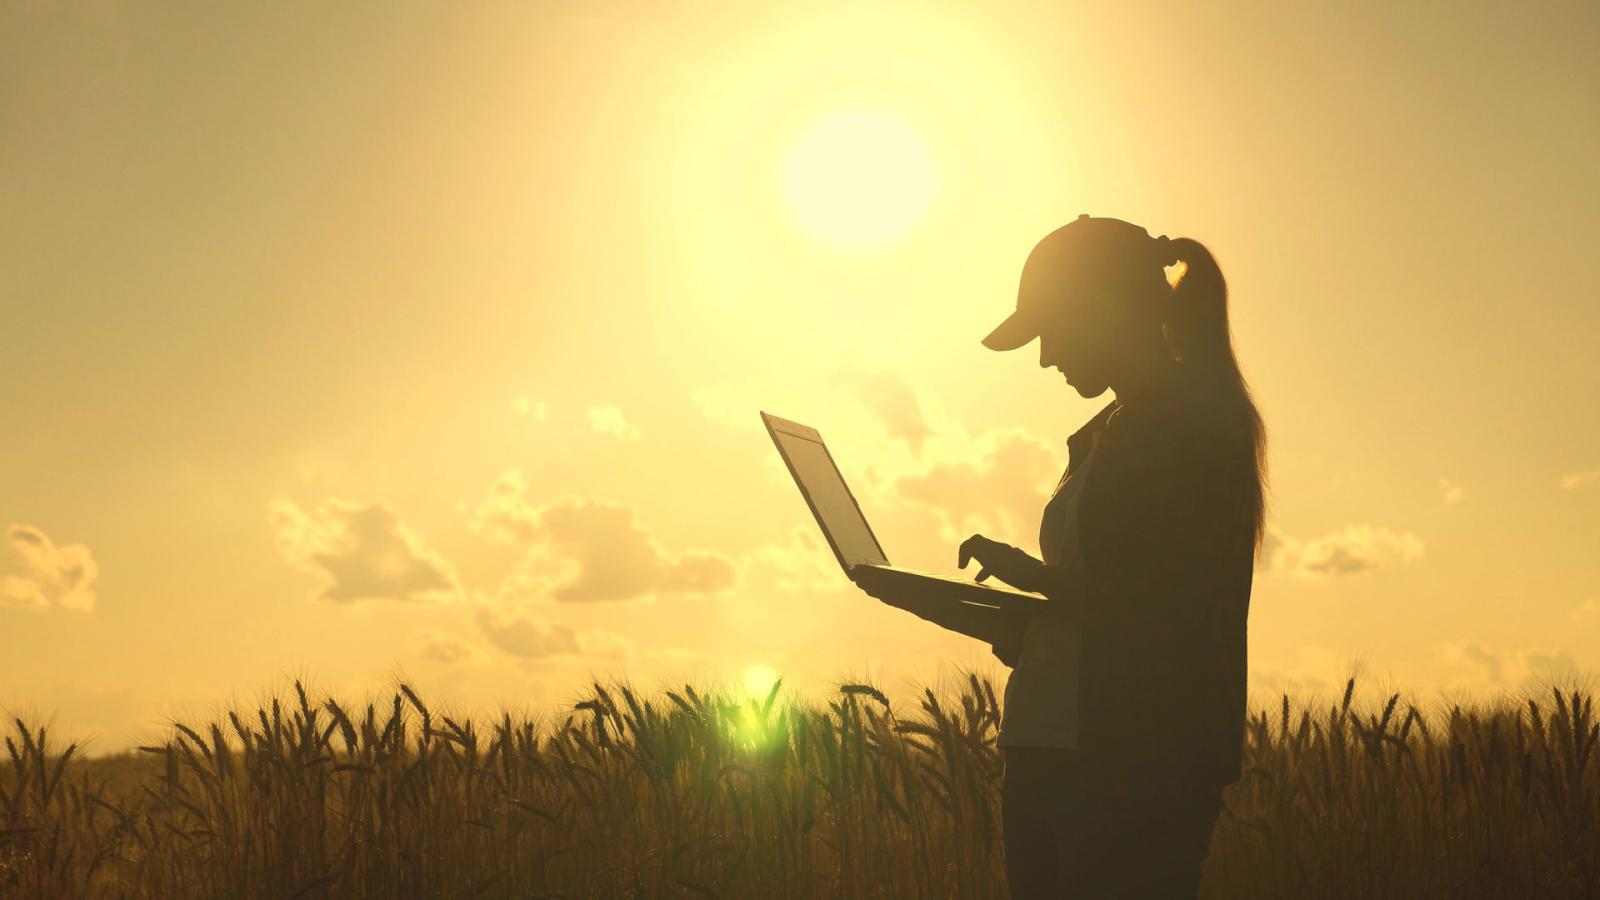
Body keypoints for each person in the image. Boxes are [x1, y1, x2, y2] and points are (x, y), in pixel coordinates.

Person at [851, 214, 1267, 899]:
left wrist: (1034, 581)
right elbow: (1105, 605)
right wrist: (1007, 617)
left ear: (1100, 307)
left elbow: (1165, 609)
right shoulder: (1115, 431)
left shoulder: (1185, 429)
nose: (1044, 358)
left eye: (1048, 330)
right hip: (1057, 745)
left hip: (1127, 764)